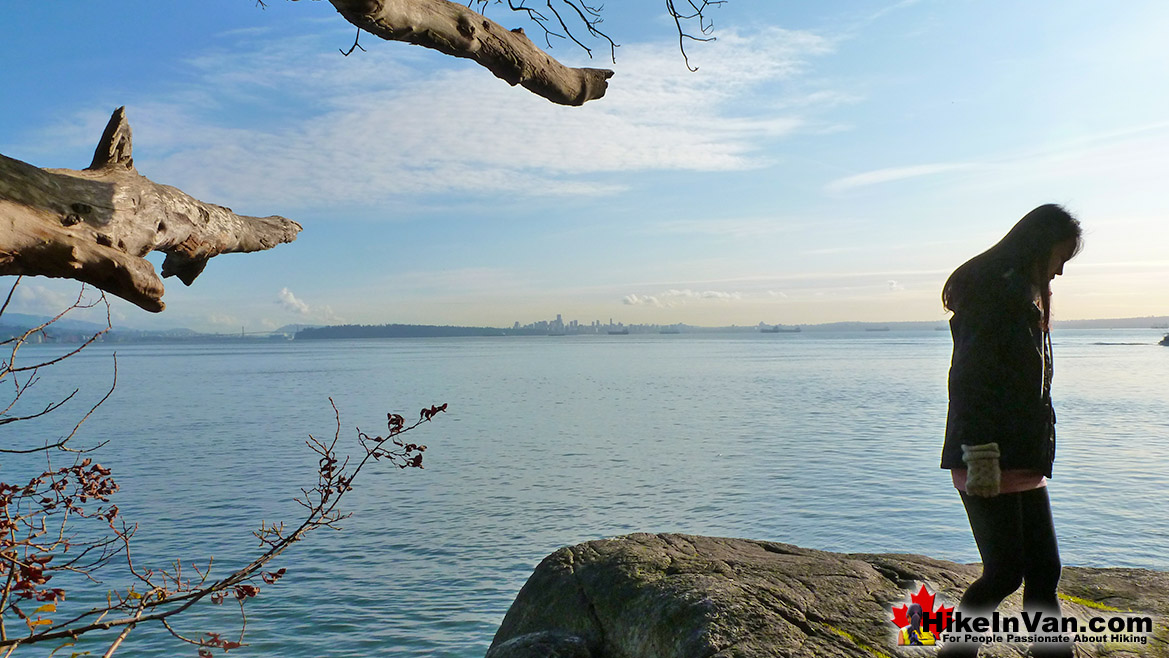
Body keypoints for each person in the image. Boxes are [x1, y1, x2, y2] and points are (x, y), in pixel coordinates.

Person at [938, 204, 1083, 658]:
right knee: (1004, 573)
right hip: (988, 454)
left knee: (1044, 570)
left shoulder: (1022, 292)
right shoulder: (993, 293)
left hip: (1018, 453)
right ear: (1038, 248)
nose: (1059, 271)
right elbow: (969, 379)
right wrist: (980, 454)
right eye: (1059, 258)